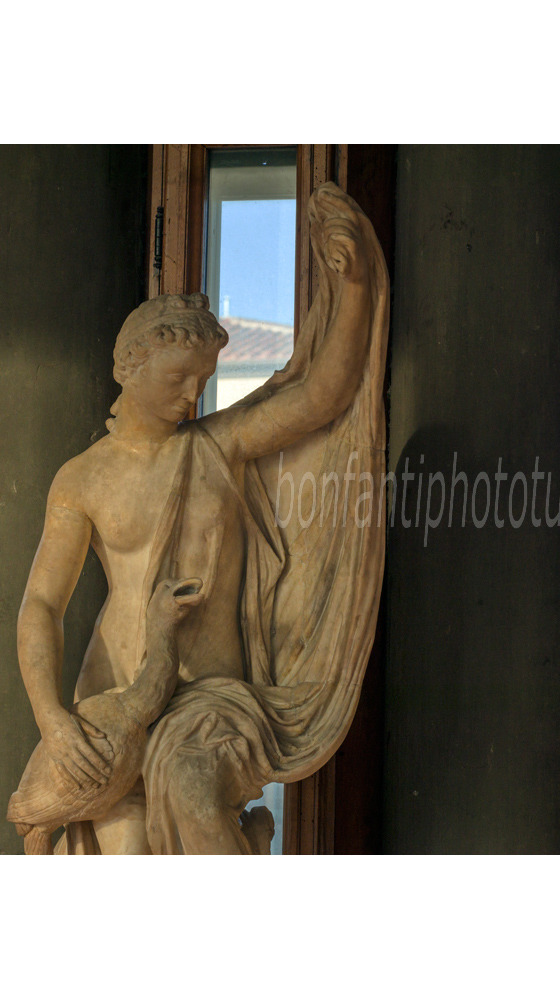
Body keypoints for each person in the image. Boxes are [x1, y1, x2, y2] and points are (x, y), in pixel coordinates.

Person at [13, 183, 388, 853]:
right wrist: (54, 721)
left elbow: (323, 394)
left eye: (203, 381)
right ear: (131, 366)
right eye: (177, 379)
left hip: (210, 703)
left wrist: (353, 281)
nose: (192, 396)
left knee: (190, 787)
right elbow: (42, 603)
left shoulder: (219, 445)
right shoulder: (83, 478)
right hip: (115, 704)